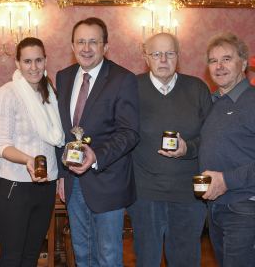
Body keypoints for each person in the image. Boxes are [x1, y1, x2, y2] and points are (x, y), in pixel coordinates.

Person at [56, 17, 140, 267]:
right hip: (73, 183)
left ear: (106, 46)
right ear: (72, 46)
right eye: (81, 41)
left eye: (93, 41)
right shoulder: (63, 77)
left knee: (108, 256)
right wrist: (61, 174)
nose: (86, 48)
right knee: (82, 254)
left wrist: (97, 156)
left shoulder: (123, 79)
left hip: (108, 181)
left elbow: (130, 132)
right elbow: (61, 131)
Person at [127, 33, 212, 267]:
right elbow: (121, 135)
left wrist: (189, 148)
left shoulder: (197, 88)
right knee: (146, 260)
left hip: (188, 195)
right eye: (156, 54)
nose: (163, 59)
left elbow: (212, 137)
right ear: (146, 57)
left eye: (170, 53)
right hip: (145, 195)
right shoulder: (131, 87)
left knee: (185, 260)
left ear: (178, 56)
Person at [0, 37, 64, 266]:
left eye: (38, 60)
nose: (33, 67)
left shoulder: (49, 93)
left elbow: (56, 141)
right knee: (12, 256)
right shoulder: (6, 94)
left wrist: (59, 175)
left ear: (45, 61)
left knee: (32, 255)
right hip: (16, 185)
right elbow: (0, 145)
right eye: (27, 61)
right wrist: (27, 160)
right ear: (17, 63)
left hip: (46, 183)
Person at [199, 32, 255, 266]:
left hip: (244, 208)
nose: (219, 66)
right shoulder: (214, 102)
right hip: (216, 208)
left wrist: (227, 180)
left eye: (227, 59)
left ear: (243, 63)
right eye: (213, 61)